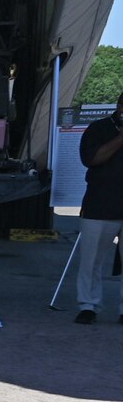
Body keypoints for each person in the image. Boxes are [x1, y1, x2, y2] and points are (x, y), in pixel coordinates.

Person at [74, 98, 123, 323]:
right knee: (91, 260)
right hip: (100, 204)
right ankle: (88, 305)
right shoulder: (99, 129)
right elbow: (92, 158)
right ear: (119, 107)